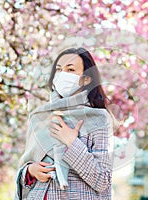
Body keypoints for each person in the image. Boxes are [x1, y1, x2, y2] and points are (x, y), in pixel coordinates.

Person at [15, 47, 114, 200]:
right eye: (59, 69)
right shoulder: (39, 117)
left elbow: (102, 181)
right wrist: (30, 171)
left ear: (86, 79)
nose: (62, 75)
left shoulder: (99, 118)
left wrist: (72, 143)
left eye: (70, 69)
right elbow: (24, 171)